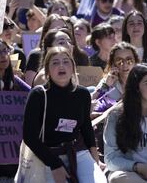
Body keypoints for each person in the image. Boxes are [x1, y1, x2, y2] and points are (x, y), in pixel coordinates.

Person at [23, 47, 106, 183]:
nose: (61, 66)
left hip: (77, 151)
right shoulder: (38, 95)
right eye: (55, 62)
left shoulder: (83, 93)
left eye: (66, 62)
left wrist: (94, 154)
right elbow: (29, 137)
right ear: (47, 70)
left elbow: (86, 126)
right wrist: (54, 165)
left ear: (73, 67)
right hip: (46, 155)